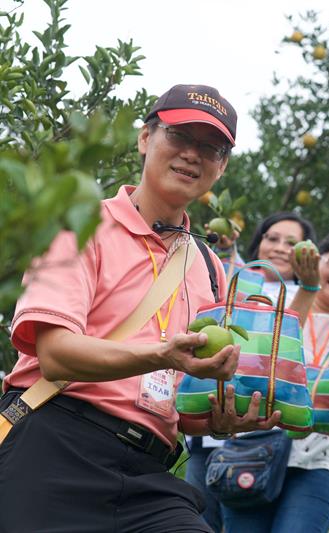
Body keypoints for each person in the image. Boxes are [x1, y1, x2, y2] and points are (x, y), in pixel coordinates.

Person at [0, 84, 280, 532]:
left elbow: (176, 395)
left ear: (222, 167)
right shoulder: (80, 226)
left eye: (209, 147)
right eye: (180, 137)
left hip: (148, 474)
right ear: (145, 139)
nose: (192, 154)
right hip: (53, 445)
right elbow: (55, 356)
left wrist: (219, 420)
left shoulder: (209, 268)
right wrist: (162, 353)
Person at [222, 229, 329, 533]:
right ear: (316, 261)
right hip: (254, 449)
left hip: (323, 461)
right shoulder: (278, 308)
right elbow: (263, 361)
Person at [186, 211, 320, 532]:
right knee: (192, 520)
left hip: (255, 438)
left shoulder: (301, 295)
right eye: (271, 238)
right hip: (208, 425)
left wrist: (311, 286)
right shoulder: (236, 281)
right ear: (258, 242)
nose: (279, 247)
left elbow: (287, 340)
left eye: (291, 242)